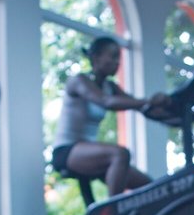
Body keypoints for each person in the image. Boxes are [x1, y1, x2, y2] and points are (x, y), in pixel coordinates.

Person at [51, 36, 169, 196]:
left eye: (118, 58)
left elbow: (143, 108)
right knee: (120, 154)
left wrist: (174, 113)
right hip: (67, 152)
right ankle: (113, 209)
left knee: (150, 186)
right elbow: (106, 101)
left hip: (91, 154)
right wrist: (149, 101)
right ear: (96, 57)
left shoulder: (110, 87)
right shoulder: (79, 81)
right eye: (113, 56)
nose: (117, 62)